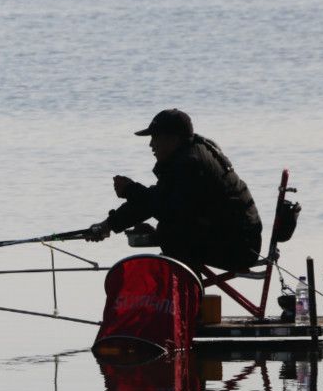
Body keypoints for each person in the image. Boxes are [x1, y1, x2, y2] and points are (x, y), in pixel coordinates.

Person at [86, 109, 262, 272]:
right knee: (169, 232)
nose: (150, 144)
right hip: (239, 240)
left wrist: (131, 191)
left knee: (171, 236)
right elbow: (160, 201)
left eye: (155, 137)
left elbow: (167, 208)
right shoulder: (190, 154)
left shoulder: (190, 163)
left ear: (174, 139)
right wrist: (109, 224)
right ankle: (187, 300)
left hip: (239, 248)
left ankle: (187, 300)